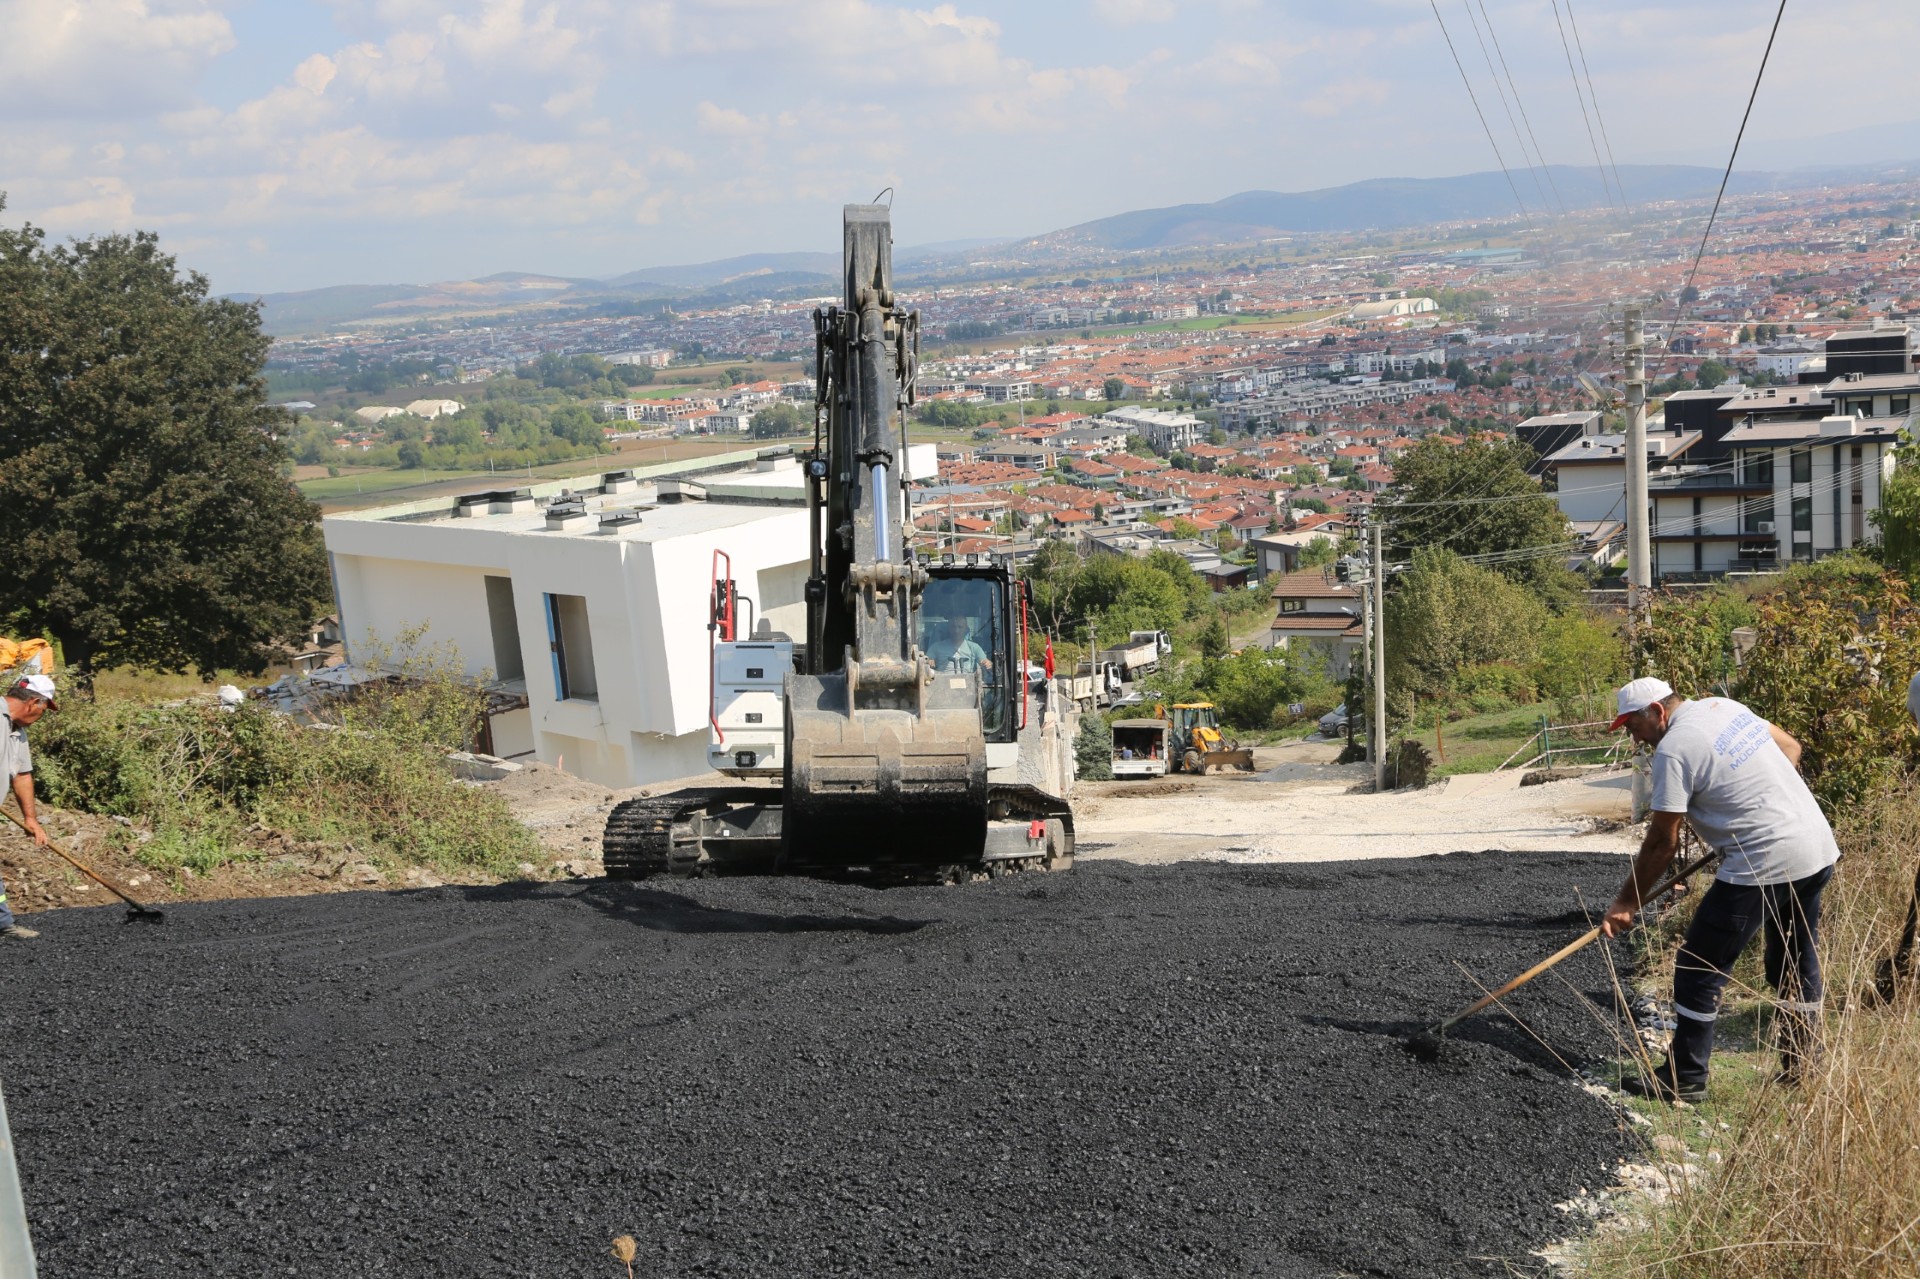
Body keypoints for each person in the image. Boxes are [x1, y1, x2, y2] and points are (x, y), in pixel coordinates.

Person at [1602, 676, 1839, 1102]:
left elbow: (1662, 841)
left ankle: (1685, 1078)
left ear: (1657, 712)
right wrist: (1754, 808)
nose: (1634, 738)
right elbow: (1791, 748)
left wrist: (1625, 902)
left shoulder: (1673, 750)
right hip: (1815, 848)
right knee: (1793, 959)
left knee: (1698, 967)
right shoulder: (1722, 708)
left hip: (1764, 861)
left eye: (1634, 726)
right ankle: (1804, 1066)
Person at [1, 674, 57, 940]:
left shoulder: (17, 732)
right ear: (34, 702)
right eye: (44, 709)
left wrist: (31, 818)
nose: (42, 715)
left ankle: (2, 924)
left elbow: (22, 774)